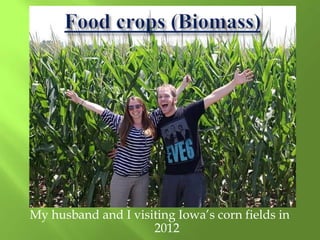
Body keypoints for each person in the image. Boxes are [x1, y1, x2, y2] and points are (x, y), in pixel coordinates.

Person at [65, 80, 189, 207]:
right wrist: (79, 100)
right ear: (127, 110)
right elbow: (101, 110)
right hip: (122, 177)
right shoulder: (121, 122)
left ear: (143, 107)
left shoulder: (152, 120)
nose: (135, 110)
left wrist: (183, 85)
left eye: (137, 106)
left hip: (142, 177)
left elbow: (168, 101)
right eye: (131, 107)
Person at [154, 68, 254, 207]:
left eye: (166, 96)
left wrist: (234, 83)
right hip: (171, 176)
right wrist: (121, 148)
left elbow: (213, 96)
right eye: (160, 97)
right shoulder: (159, 123)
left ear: (175, 99)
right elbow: (142, 139)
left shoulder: (188, 113)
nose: (163, 99)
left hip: (193, 175)